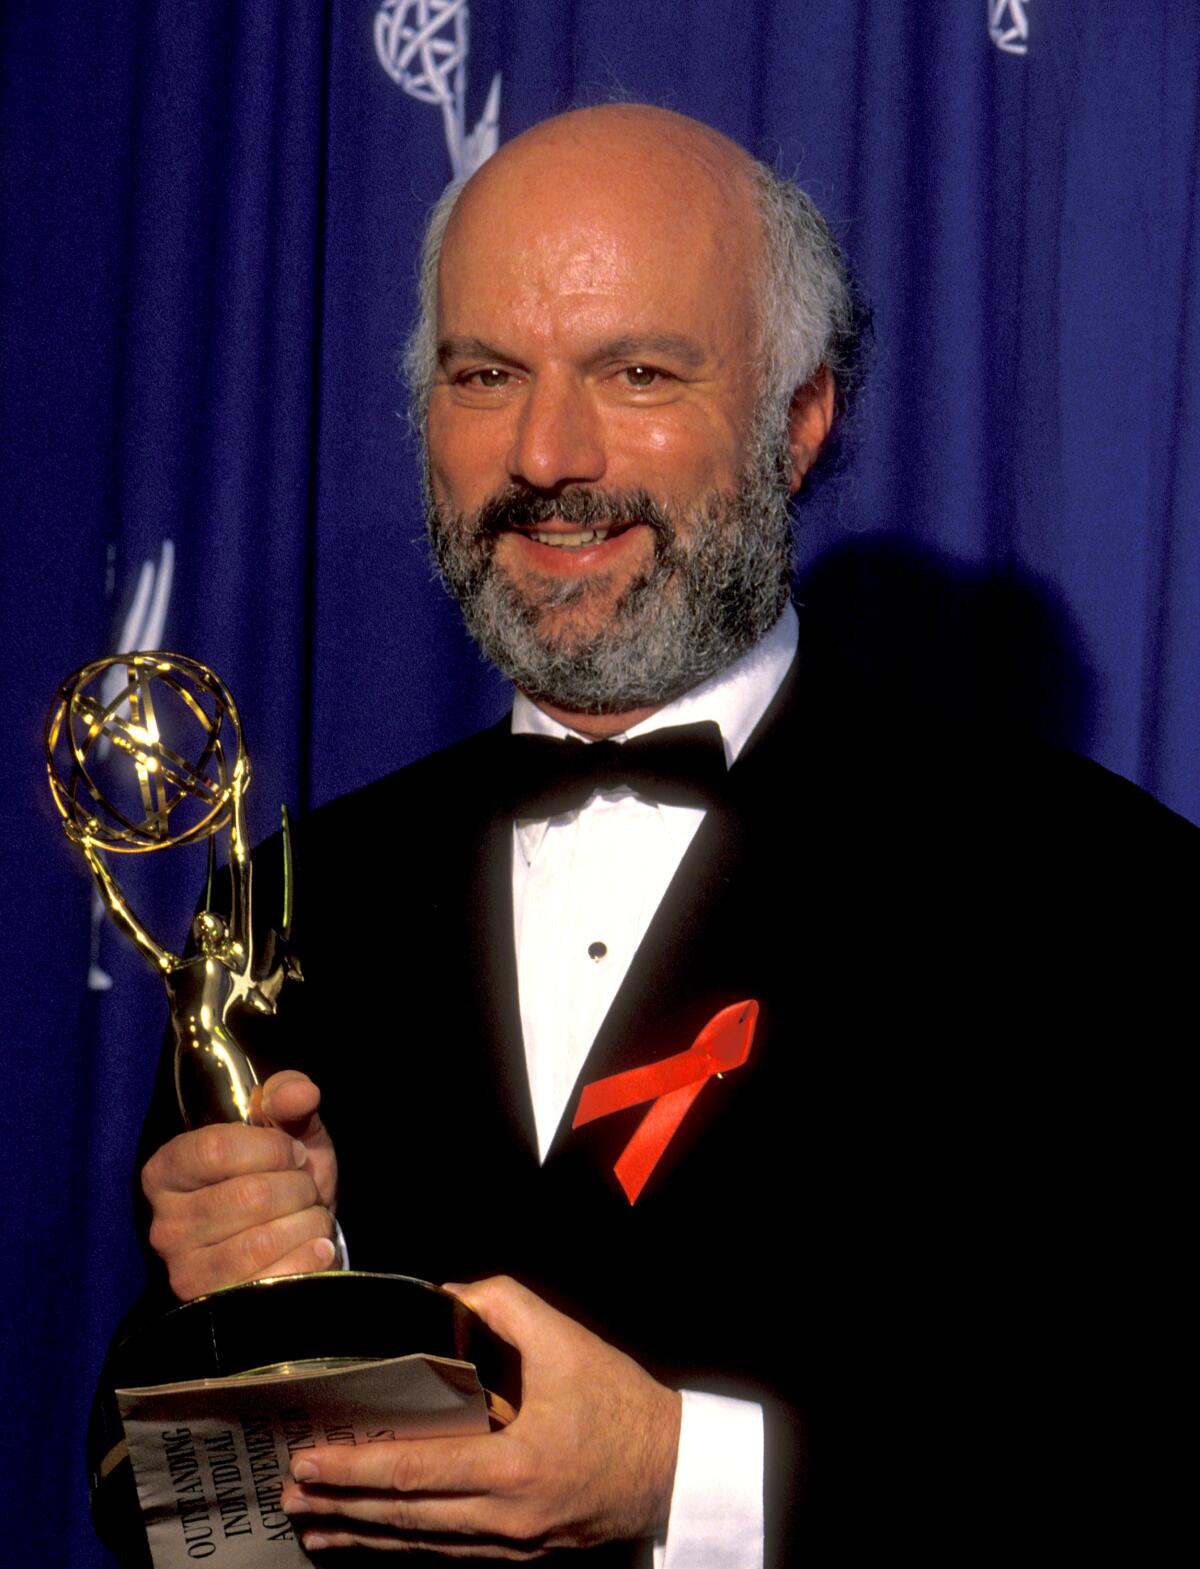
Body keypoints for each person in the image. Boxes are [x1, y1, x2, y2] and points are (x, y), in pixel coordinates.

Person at [120, 105, 1196, 1565]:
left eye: (637, 372)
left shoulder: (1090, 885)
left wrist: (685, 1478)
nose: (549, 453)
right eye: (485, 373)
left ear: (797, 421)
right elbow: (162, 1523)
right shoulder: (289, 897)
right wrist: (234, 1331)